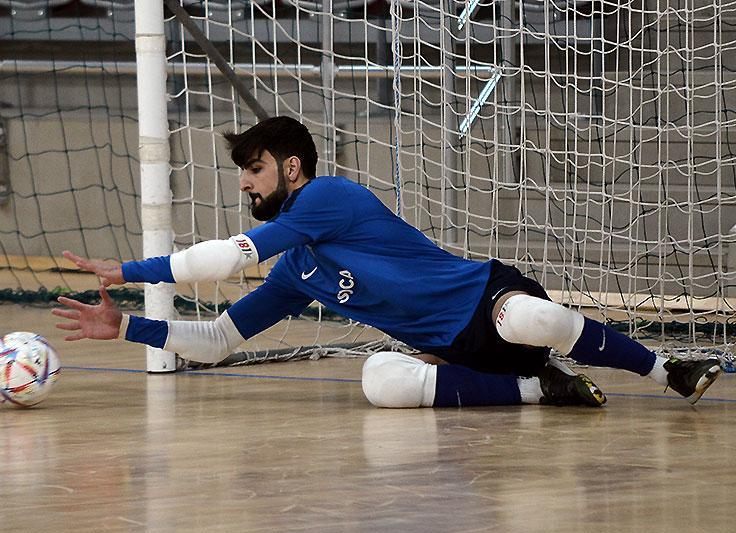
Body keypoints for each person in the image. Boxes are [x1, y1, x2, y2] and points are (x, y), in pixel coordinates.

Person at [52, 116, 723, 408]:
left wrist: (128, 272)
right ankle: (540, 389)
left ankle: (669, 371)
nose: (245, 184)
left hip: (484, 300)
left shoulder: (326, 198)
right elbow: (217, 341)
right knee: (378, 382)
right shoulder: (296, 270)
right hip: (456, 353)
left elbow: (226, 258)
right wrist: (129, 326)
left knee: (532, 320)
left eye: (253, 169)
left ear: (291, 168)